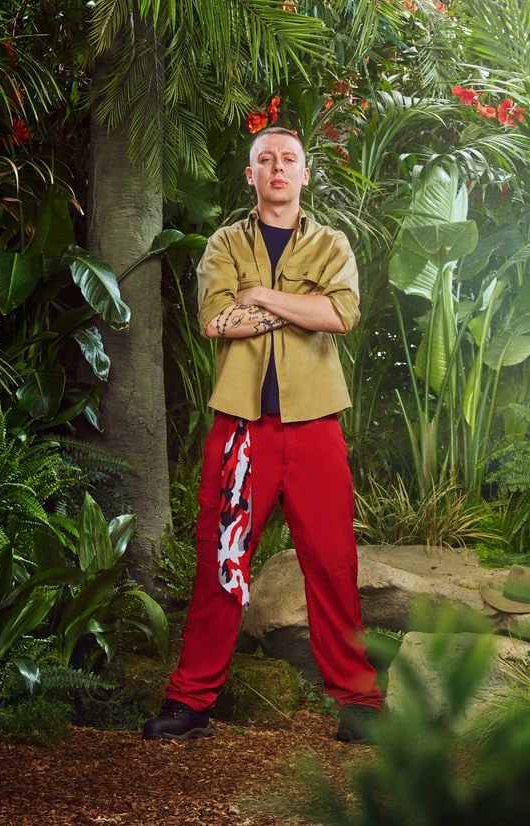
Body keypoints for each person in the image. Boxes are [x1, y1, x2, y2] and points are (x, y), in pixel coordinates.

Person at [141, 126, 384, 744]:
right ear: (250, 175)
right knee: (220, 565)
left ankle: (360, 704)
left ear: (305, 175)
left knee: (332, 564)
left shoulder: (332, 244)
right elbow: (215, 320)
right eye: (266, 160)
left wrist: (262, 297)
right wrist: (296, 307)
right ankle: (190, 701)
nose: (278, 168)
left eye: (290, 160)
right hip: (240, 432)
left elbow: (342, 314)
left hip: (315, 428)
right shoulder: (225, 243)